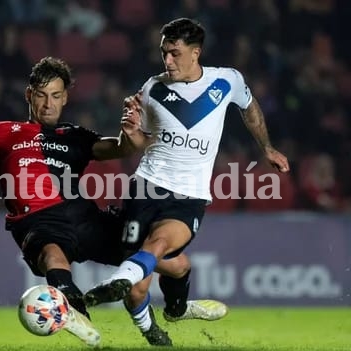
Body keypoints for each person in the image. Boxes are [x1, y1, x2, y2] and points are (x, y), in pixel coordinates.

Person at [0, 56, 215, 347]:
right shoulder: (2, 133)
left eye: (56, 96)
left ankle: (177, 309)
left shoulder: (75, 136)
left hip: (84, 218)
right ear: (29, 95)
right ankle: (73, 312)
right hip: (37, 220)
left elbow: (123, 148)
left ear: (65, 98)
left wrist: (132, 131)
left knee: (178, 264)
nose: (49, 104)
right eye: (42, 96)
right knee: (53, 257)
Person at [83, 18, 290, 323]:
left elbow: (249, 107)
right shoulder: (153, 88)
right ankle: (158, 324)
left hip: (188, 194)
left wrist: (267, 147)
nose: (167, 60)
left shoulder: (226, 81)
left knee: (159, 244)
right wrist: (129, 130)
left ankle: (117, 283)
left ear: (196, 52)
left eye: (175, 53)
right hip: (145, 187)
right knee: (141, 288)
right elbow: (141, 141)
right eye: (164, 52)